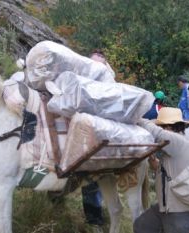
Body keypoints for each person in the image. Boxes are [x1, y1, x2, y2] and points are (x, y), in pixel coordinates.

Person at [134, 107, 189, 233]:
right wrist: (152, 160)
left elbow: (157, 134)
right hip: (167, 205)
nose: (161, 129)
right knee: (142, 226)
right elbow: (165, 171)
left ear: (168, 127)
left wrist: (135, 117)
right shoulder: (174, 148)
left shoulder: (178, 142)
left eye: (161, 126)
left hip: (180, 211)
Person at [80, 48, 113, 230]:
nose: (96, 67)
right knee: (89, 177)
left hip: (103, 136)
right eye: (93, 63)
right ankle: (94, 218)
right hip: (84, 135)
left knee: (98, 178)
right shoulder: (82, 78)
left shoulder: (109, 82)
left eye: (100, 64)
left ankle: (97, 217)